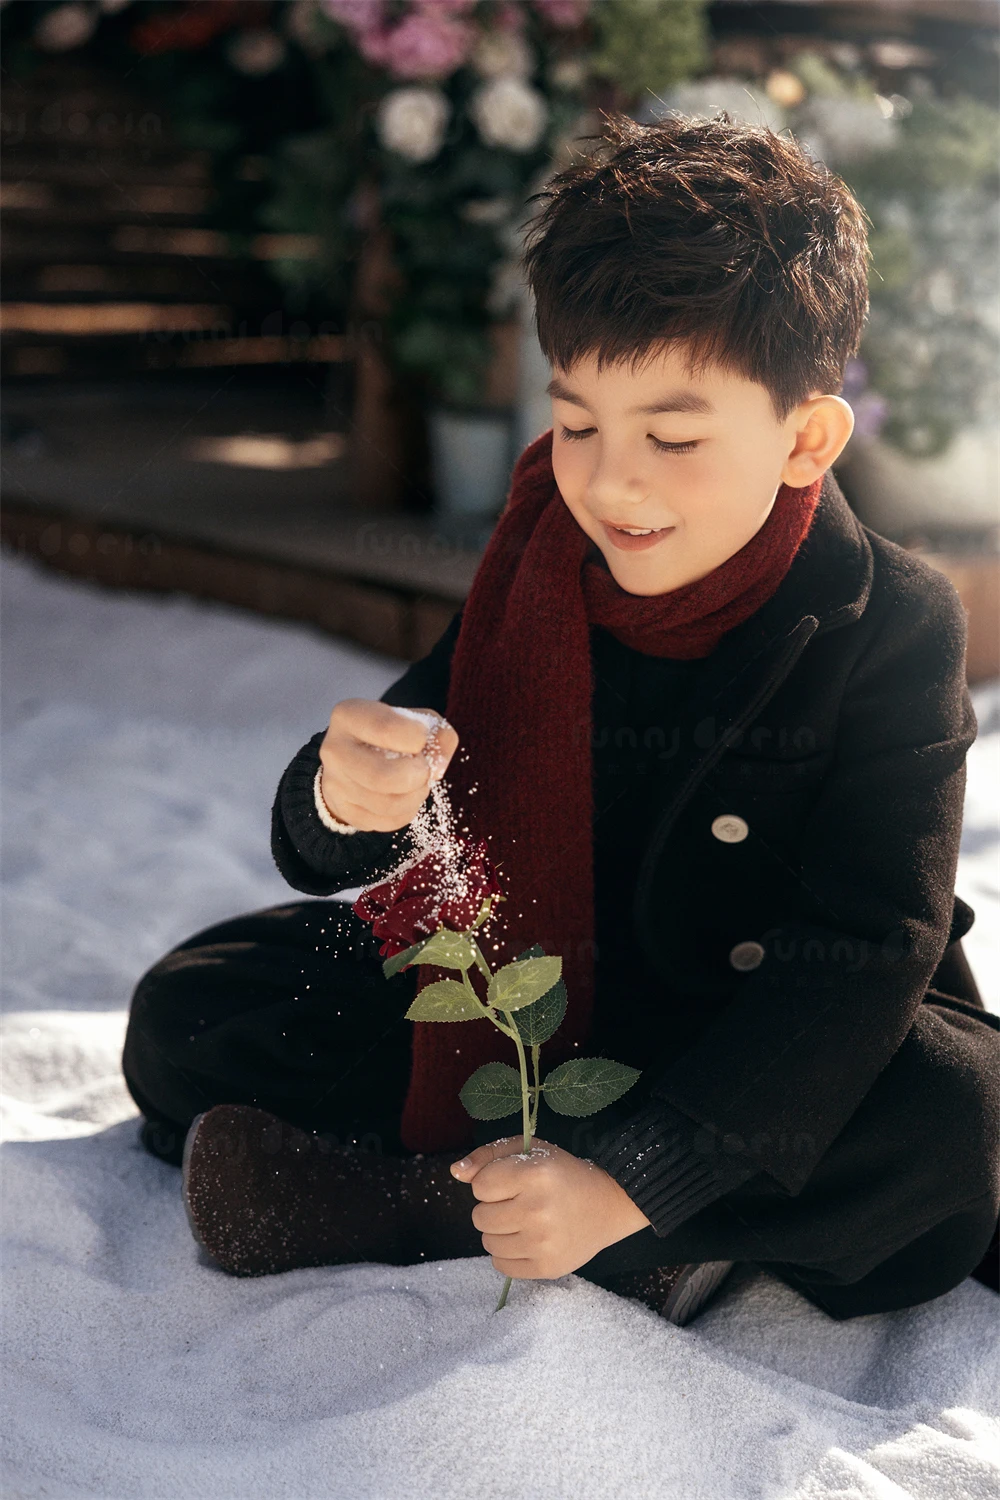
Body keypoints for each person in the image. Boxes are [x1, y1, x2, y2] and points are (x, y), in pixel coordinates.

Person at [123, 112, 999, 1325]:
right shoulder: (542, 559)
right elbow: (400, 768)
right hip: (535, 991)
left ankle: (437, 1207)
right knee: (195, 1004)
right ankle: (581, 1217)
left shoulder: (893, 619)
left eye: (673, 436)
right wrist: (342, 796)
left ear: (805, 438)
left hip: (755, 1028)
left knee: (951, 1120)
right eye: (578, 423)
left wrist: (634, 1178)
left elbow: (865, 953)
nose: (613, 480)